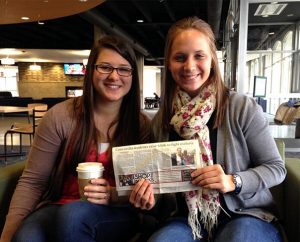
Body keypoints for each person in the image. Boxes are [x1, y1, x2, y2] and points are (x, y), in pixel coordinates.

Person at [0, 35, 155, 242]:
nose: (114, 76)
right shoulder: (60, 116)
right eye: (105, 67)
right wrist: (7, 235)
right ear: (91, 70)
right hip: (59, 205)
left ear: (132, 76)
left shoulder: (140, 125)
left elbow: (144, 186)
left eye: (123, 69)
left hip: (117, 211)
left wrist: (112, 194)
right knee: (25, 237)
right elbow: (33, 181)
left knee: (73, 216)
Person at [145, 16, 286, 242]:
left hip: (244, 214)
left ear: (212, 60)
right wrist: (150, 200)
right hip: (185, 220)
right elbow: (162, 190)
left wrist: (233, 181)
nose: (189, 66)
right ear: (169, 64)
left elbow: (276, 168)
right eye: (180, 57)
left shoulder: (241, 107)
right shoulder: (161, 121)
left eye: (199, 56)